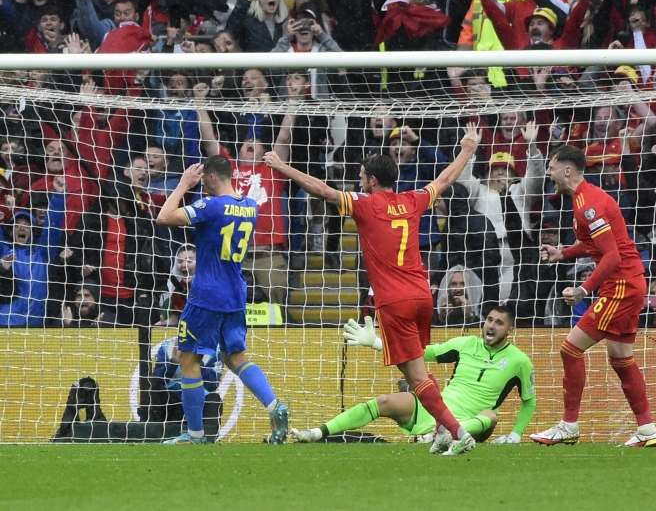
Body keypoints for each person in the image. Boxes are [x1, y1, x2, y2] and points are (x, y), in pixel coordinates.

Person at [263, 125, 483, 456]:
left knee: (416, 374)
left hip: (395, 300)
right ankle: (440, 429)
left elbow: (322, 190)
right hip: (422, 295)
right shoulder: (412, 200)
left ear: (373, 182)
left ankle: (457, 432)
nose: (360, 181)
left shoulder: (365, 204)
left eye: (362, 176)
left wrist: (281, 167)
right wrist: (467, 149)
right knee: (416, 372)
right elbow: (444, 181)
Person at [155, 156, 289, 444]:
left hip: (206, 294)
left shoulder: (210, 206)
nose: (202, 185)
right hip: (236, 294)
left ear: (212, 178)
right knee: (235, 357)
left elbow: (164, 217)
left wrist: (182, 184)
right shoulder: (250, 207)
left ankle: (195, 436)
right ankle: (275, 406)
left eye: (204, 181)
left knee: (188, 359)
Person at [530, 145, 656, 448]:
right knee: (620, 359)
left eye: (551, 166)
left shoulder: (588, 205)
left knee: (570, 349)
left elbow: (611, 256)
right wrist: (563, 252)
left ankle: (569, 425)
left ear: (567, 170)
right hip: (629, 282)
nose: (548, 172)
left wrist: (583, 289)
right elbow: (595, 246)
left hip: (621, 285)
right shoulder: (582, 201)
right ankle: (648, 429)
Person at [290, 304, 535, 447]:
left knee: (490, 416)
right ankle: (316, 433)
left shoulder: (519, 361)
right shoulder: (466, 344)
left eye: (499, 323)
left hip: (473, 423)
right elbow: (419, 353)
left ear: (510, 329)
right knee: (385, 401)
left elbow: (528, 400)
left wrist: (516, 433)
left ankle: (444, 435)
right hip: (439, 410)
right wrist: (375, 342)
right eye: (489, 320)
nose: (491, 326)